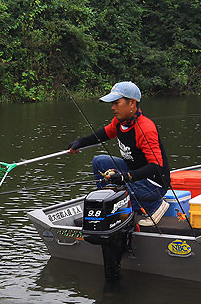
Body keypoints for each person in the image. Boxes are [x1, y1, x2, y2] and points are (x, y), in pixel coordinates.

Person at [68, 81, 171, 226]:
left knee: (119, 193)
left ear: (132, 103)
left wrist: (124, 177)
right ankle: (108, 202)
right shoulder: (119, 122)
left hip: (153, 183)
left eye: (116, 103)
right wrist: (80, 142)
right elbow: (103, 134)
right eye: (112, 103)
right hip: (134, 172)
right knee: (99, 161)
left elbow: (156, 166)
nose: (112, 107)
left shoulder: (146, 128)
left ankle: (154, 206)